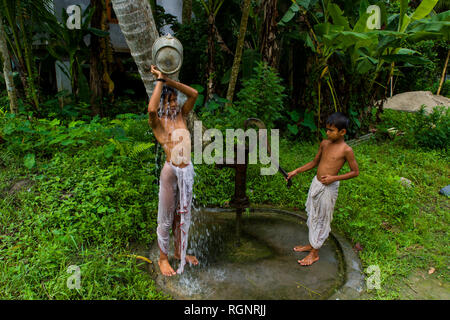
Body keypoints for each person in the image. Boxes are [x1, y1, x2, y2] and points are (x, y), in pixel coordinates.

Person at [286, 112, 359, 266]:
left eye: (331, 130)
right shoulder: (325, 144)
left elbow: (355, 172)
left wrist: (334, 178)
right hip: (317, 184)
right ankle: (312, 245)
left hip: (328, 188)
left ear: (342, 132)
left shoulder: (346, 150)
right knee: (313, 214)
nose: (327, 133)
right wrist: (296, 171)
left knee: (322, 218)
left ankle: (315, 253)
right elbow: (314, 162)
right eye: (327, 129)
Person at [148, 65, 199, 276]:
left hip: (187, 172)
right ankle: (163, 258)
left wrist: (169, 80)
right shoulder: (158, 123)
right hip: (171, 173)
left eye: (174, 100)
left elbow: (194, 93)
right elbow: (151, 109)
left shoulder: (182, 115)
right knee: (166, 217)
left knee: (182, 216)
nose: (174, 103)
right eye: (169, 101)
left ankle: (179, 252)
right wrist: (160, 81)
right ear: (162, 103)